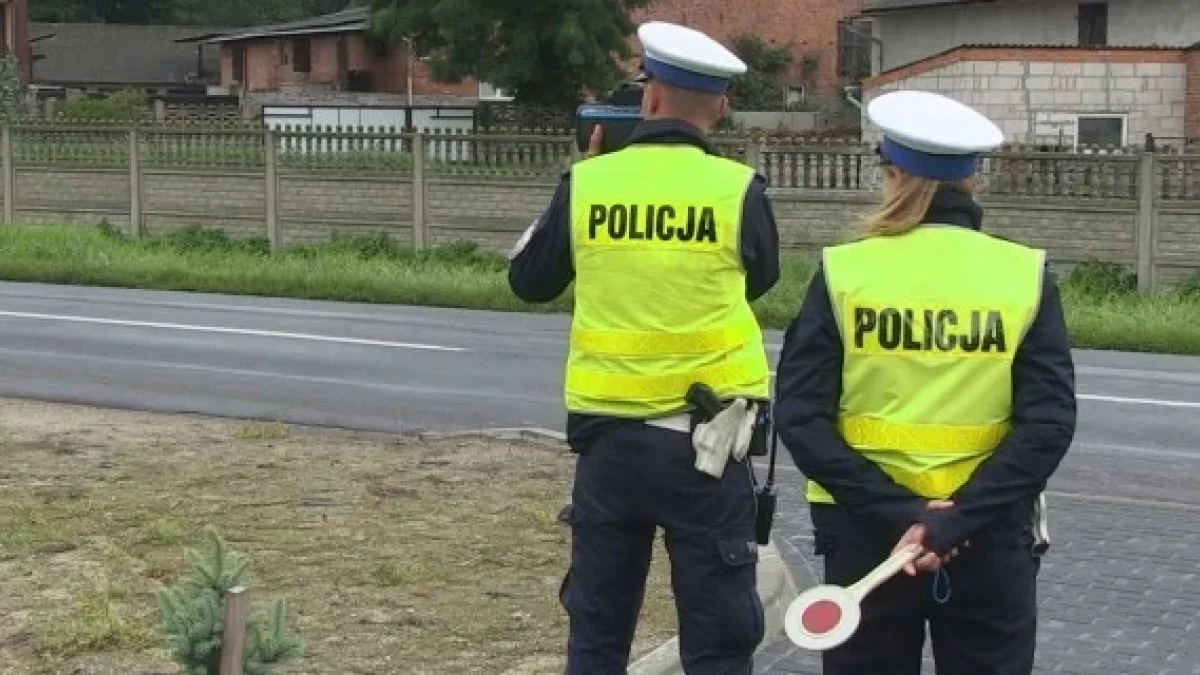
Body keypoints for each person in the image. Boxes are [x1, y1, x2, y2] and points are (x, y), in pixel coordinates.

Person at [507, 21, 782, 675]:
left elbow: (528, 279)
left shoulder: (589, 185)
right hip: (709, 448)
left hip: (611, 453)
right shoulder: (739, 190)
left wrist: (576, 178)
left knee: (598, 636)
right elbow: (762, 278)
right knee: (717, 641)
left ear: (648, 98)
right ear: (720, 107)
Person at [773, 90, 1077, 675]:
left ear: (894, 174)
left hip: (866, 536)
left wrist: (900, 514)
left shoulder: (844, 272)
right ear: (972, 181)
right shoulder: (1024, 275)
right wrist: (951, 521)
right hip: (986, 535)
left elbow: (802, 416)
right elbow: (1047, 424)